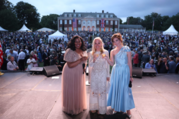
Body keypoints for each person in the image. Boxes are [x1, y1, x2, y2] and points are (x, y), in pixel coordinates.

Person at [104, 33, 135, 117]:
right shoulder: (112, 51)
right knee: (116, 89)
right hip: (116, 71)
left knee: (125, 89)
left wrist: (130, 76)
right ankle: (115, 108)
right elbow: (111, 63)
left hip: (125, 71)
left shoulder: (126, 49)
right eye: (114, 41)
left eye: (116, 40)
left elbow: (129, 63)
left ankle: (128, 111)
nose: (115, 43)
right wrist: (107, 59)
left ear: (120, 40)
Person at [61, 35, 87, 115]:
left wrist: (84, 67)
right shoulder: (69, 51)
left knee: (78, 89)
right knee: (71, 89)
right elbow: (69, 65)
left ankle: (77, 105)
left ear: (81, 42)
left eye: (79, 41)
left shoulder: (83, 50)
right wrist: (80, 60)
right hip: (70, 72)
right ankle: (71, 107)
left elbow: (85, 62)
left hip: (79, 73)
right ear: (73, 42)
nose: (78, 43)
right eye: (76, 41)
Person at [88, 37, 110, 114]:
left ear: (101, 44)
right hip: (94, 74)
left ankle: (102, 108)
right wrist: (93, 59)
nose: (97, 44)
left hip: (103, 74)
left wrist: (108, 75)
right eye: (95, 43)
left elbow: (107, 64)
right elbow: (90, 65)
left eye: (99, 43)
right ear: (93, 44)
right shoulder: (91, 53)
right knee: (94, 90)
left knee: (102, 90)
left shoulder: (106, 52)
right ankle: (94, 107)